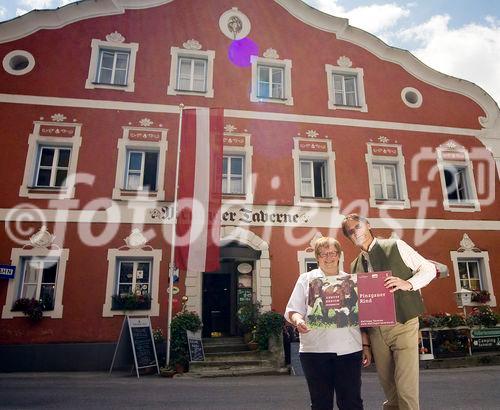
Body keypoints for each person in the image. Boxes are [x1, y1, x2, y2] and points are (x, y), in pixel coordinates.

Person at [341, 214, 436, 410]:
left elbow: (428, 269)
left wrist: (408, 283)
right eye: (350, 232)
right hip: (376, 332)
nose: (355, 232)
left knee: (405, 388)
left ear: (368, 225)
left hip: (403, 323)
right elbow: (360, 306)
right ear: (349, 238)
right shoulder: (354, 265)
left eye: (357, 226)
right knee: (390, 390)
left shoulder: (395, 246)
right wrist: (365, 342)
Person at [285, 237, 372, 410]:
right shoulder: (306, 279)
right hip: (315, 351)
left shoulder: (352, 281)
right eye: (323, 254)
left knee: (351, 403)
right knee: (320, 403)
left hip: (349, 350)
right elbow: (292, 310)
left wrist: (366, 345)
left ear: (339, 255)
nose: (328, 257)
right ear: (317, 257)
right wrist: (298, 320)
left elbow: (362, 317)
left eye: (332, 253)